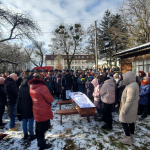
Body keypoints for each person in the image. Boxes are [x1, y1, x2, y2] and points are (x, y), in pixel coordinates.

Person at [29, 76, 54, 149]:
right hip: (43, 109)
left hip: (36, 109)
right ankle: (42, 145)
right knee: (42, 128)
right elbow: (50, 99)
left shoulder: (31, 86)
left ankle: (39, 142)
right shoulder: (42, 87)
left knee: (38, 127)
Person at [119, 71, 139, 145]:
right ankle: (131, 136)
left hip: (128, 108)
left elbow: (129, 99)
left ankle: (128, 138)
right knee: (131, 122)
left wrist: (124, 109)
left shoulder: (131, 86)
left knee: (123, 121)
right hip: (132, 108)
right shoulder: (134, 84)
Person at [18, 75, 36, 141]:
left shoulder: (20, 87)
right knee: (31, 120)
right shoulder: (30, 88)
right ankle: (31, 134)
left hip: (23, 106)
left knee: (24, 121)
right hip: (30, 105)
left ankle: (25, 134)